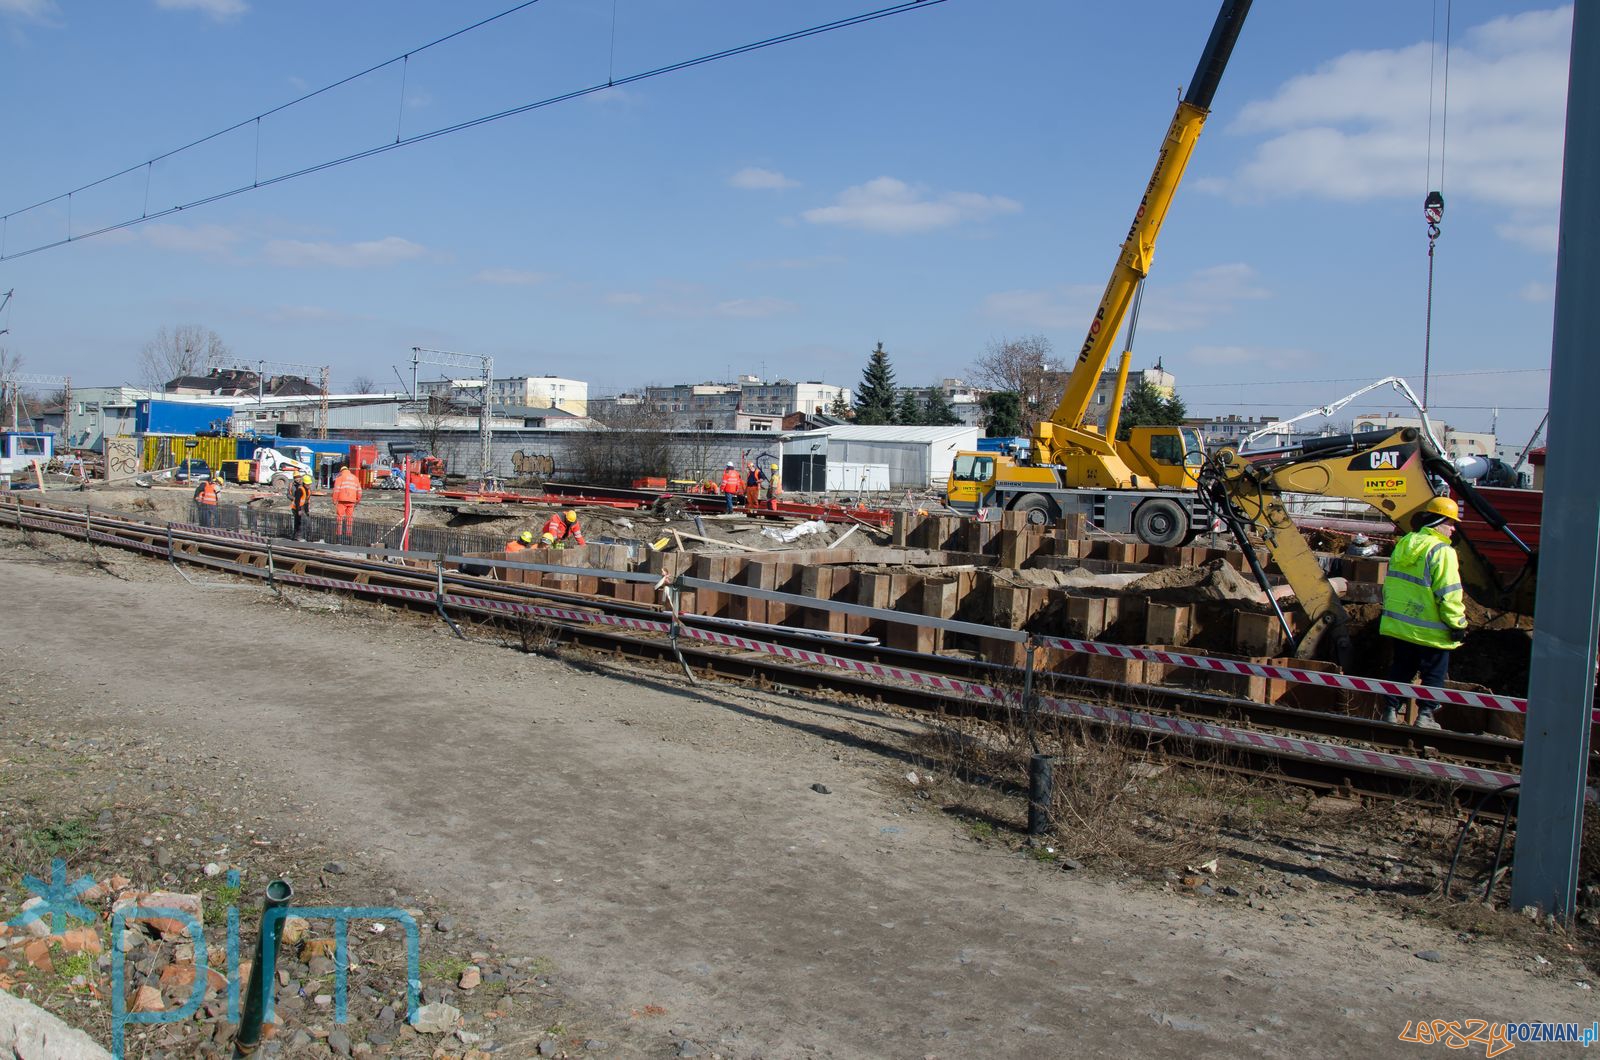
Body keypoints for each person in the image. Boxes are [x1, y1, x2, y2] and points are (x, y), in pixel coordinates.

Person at [1379, 496, 1468, 730]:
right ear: (1438, 522)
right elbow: (1449, 592)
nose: (1453, 528)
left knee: (1401, 668)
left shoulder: (1405, 543)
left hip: (1400, 625)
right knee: (1434, 673)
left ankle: (1389, 711)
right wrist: (1457, 623)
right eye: (1450, 523)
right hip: (1430, 630)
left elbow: (1393, 584)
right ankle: (1426, 715)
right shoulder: (1442, 551)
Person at [330, 465, 363, 541]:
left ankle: (339, 535)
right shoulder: (355, 478)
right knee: (349, 518)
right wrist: (357, 500)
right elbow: (359, 491)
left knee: (340, 518)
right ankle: (349, 536)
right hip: (351, 501)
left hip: (342, 501)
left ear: (341, 471)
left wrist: (334, 500)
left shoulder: (340, 478)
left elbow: (336, 490)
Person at [290, 474, 312, 541]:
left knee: (302, 522)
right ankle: (296, 537)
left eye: (309, 484)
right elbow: (297, 501)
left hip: (302, 507)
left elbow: (306, 502)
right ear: (304, 483)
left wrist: (307, 511)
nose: (308, 485)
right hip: (296, 508)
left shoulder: (308, 491)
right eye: (307, 484)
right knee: (298, 522)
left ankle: (297, 536)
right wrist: (299, 510)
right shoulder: (300, 490)